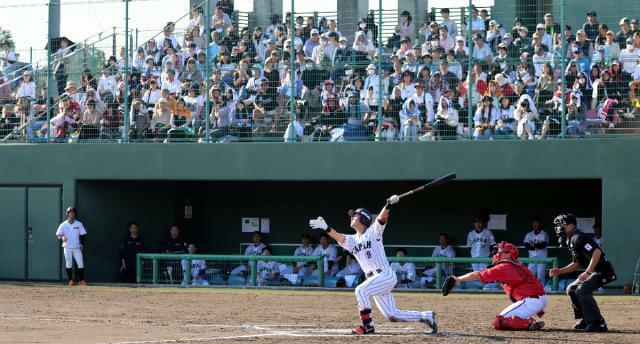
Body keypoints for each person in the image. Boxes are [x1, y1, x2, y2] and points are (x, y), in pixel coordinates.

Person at [308, 196, 437, 335]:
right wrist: (326, 227)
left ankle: (367, 326)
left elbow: (382, 218)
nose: (351, 217)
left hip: (385, 275)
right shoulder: (352, 240)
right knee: (392, 315)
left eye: (355, 215)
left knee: (360, 290)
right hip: (374, 280)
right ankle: (426, 316)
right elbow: (340, 237)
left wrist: (388, 205)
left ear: (363, 218)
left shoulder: (373, 231)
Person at [445, 242, 547, 331]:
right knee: (506, 316)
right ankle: (529, 320)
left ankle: (529, 323)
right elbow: (535, 285)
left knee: (498, 321)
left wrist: (457, 279)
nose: (496, 254)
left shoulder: (504, 266)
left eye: (500, 251)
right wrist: (539, 308)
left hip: (531, 301)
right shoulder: (519, 265)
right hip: (539, 298)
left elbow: (478, 274)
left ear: (508, 254)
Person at [551, 214, 617, 332]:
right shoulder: (571, 238)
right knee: (571, 289)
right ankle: (586, 319)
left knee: (582, 290)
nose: (559, 228)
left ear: (571, 225)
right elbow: (576, 264)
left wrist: (588, 272)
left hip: (603, 271)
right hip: (595, 271)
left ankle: (598, 323)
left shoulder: (578, 236)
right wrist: (560, 271)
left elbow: (596, 252)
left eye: (562, 225)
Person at [55, 207, 87, 286]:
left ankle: (81, 280)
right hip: (67, 247)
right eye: (70, 212)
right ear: (67, 214)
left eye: (73, 212)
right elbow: (58, 234)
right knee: (69, 264)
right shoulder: (63, 224)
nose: (71, 214)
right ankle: (70, 280)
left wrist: (82, 244)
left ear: (75, 214)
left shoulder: (79, 224)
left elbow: (83, 234)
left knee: (80, 263)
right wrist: (62, 237)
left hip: (76, 248)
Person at [523, 218, 549, 284]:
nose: (534, 225)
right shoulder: (529, 234)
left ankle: (541, 291)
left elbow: (543, 245)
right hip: (532, 259)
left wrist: (533, 245)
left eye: (536, 223)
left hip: (542, 259)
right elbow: (526, 246)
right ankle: (530, 290)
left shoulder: (544, 234)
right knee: (530, 275)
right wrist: (537, 245)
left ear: (540, 224)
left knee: (540, 276)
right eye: (533, 223)